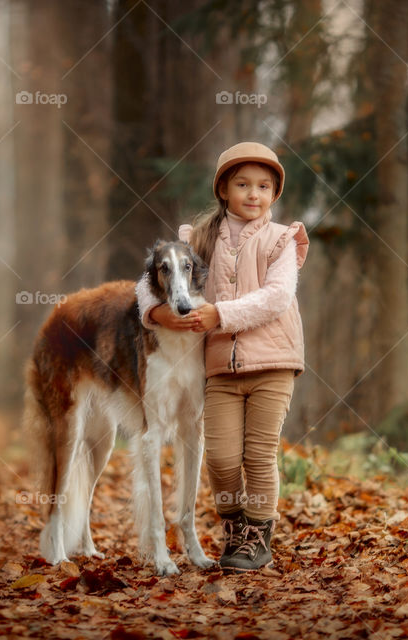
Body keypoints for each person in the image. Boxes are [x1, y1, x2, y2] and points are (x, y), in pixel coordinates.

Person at [135, 141, 308, 572]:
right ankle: (234, 528)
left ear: (274, 194)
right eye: (243, 184)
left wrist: (219, 313)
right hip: (218, 368)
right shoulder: (199, 239)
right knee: (222, 458)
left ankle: (256, 537)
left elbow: (277, 296)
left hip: (273, 363)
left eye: (264, 186)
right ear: (224, 190)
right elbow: (147, 281)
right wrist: (153, 312)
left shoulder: (281, 240)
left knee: (259, 454)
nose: (254, 194)